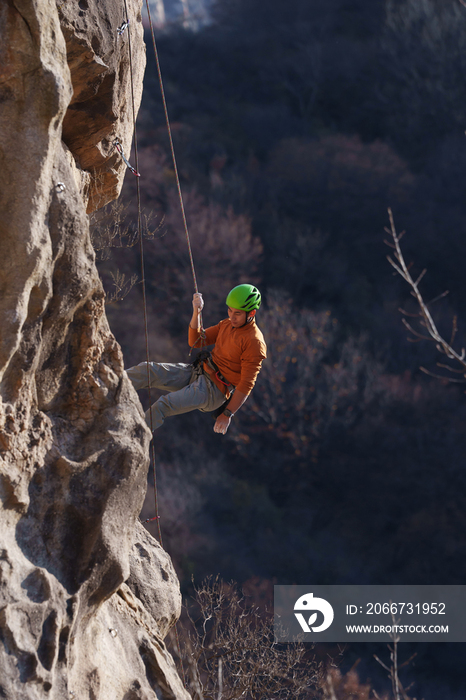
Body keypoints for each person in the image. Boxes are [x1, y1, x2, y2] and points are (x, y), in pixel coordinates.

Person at [126, 284, 267, 435]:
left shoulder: (254, 342)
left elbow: (246, 384)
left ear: (251, 312)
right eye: (230, 310)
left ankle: (132, 438)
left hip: (213, 390)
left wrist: (227, 414)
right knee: (148, 370)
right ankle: (110, 384)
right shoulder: (227, 324)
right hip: (199, 371)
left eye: (237, 313)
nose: (231, 316)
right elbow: (196, 341)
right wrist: (196, 312)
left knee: (163, 405)